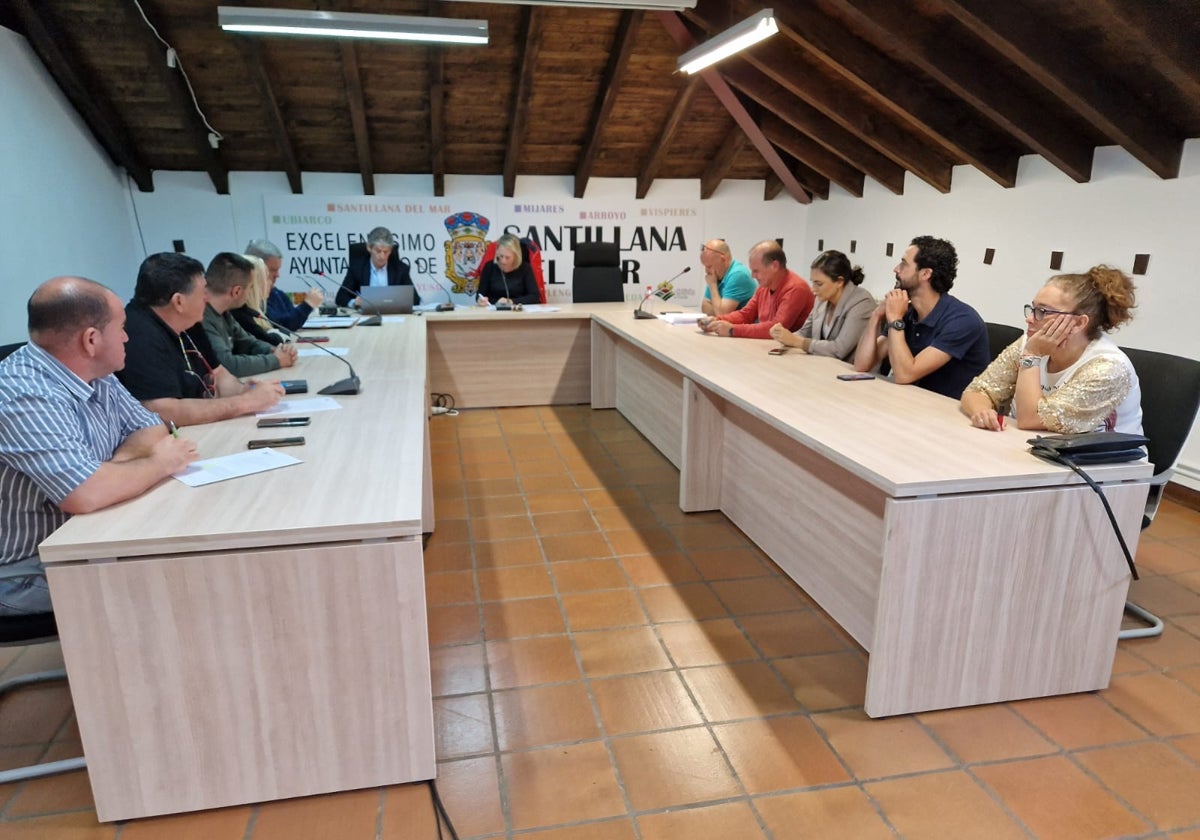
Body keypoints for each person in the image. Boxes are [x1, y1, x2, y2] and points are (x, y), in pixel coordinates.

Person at [0, 277, 198, 615]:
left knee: (190, 555)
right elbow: (85, 493)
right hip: (25, 568)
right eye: (121, 327)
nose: (126, 336)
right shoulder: (22, 393)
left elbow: (151, 429)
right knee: (179, 584)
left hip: (89, 536)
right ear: (91, 340)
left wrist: (110, 475)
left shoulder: (96, 372)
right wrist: (159, 464)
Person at [961, 266, 1142, 434]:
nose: (1030, 319)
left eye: (1043, 311)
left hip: (1106, 466)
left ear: (1079, 323)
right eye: (1032, 308)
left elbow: (1030, 419)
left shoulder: (1109, 368)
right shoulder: (1030, 342)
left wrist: (1031, 356)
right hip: (1032, 450)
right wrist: (983, 412)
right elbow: (978, 390)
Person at [118, 253, 285, 427]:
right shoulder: (137, 335)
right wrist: (245, 402)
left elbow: (218, 375)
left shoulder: (189, 321)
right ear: (179, 302)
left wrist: (244, 390)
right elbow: (163, 411)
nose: (207, 297)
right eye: (202, 292)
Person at [854, 235, 988, 398]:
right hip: (912, 403)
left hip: (948, 414)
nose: (896, 269)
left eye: (904, 264)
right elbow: (862, 365)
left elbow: (905, 375)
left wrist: (895, 320)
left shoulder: (963, 320)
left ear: (925, 274)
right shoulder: (906, 311)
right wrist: (876, 316)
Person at [202, 252, 298, 377]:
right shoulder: (201, 317)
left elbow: (249, 343)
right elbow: (227, 365)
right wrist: (277, 360)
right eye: (251, 287)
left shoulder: (224, 312)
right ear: (236, 291)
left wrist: (276, 350)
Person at [769, 250, 875, 360]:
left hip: (853, 373)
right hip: (824, 365)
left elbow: (839, 349)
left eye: (819, 284)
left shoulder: (862, 303)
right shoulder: (822, 298)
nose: (813, 289)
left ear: (839, 281)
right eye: (813, 282)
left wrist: (796, 341)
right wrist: (782, 335)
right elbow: (804, 333)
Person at [698, 241, 814, 338]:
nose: (753, 276)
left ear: (774, 266)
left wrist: (733, 330)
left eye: (756, 271)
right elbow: (745, 314)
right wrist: (716, 320)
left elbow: (777, 328)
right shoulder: (764, 286)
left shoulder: (796, 288)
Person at [246, 238, 324, 331]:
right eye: (272, 270)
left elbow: (291, 317)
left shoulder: (276, 293)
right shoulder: (249, 300)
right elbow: (283, 325)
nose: (278, 275)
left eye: (278, 269)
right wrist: (308, 304)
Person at [337, 226, 421, 308]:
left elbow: (415, 300)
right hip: (365, 317)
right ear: (369, 248)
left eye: (386, 252)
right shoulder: (357, 268)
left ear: (391, 251)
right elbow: (340, 298)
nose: (382, 256)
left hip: (393, 316)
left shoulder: (400, 269)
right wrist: (355, 302)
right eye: (378, 251)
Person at [230, 254, 285, 346]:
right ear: (255, 284)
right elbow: (272, 340)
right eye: (267, 278)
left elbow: (282, 327)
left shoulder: (257, 308)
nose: (270, 283)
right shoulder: (240, 314)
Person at [475, 234, 540, 307]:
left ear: (516, 256)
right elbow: (480, 295)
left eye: (507, 257)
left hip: (519, 313)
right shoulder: (489, 267)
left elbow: (534, 297)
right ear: (497, 252)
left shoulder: (525, 268)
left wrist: (511, 301)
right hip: (494, 314)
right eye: (501, 256)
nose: (503, 261)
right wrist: (482, 300)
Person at [699, 239, 756, 315]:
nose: (706, 271)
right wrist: (718, 309)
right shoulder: (716, 275)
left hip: (747, 325)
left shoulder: (738, 274)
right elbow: (704, 307)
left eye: (709, 266)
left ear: (723, 259)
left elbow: (722, 314)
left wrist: (713, 286)